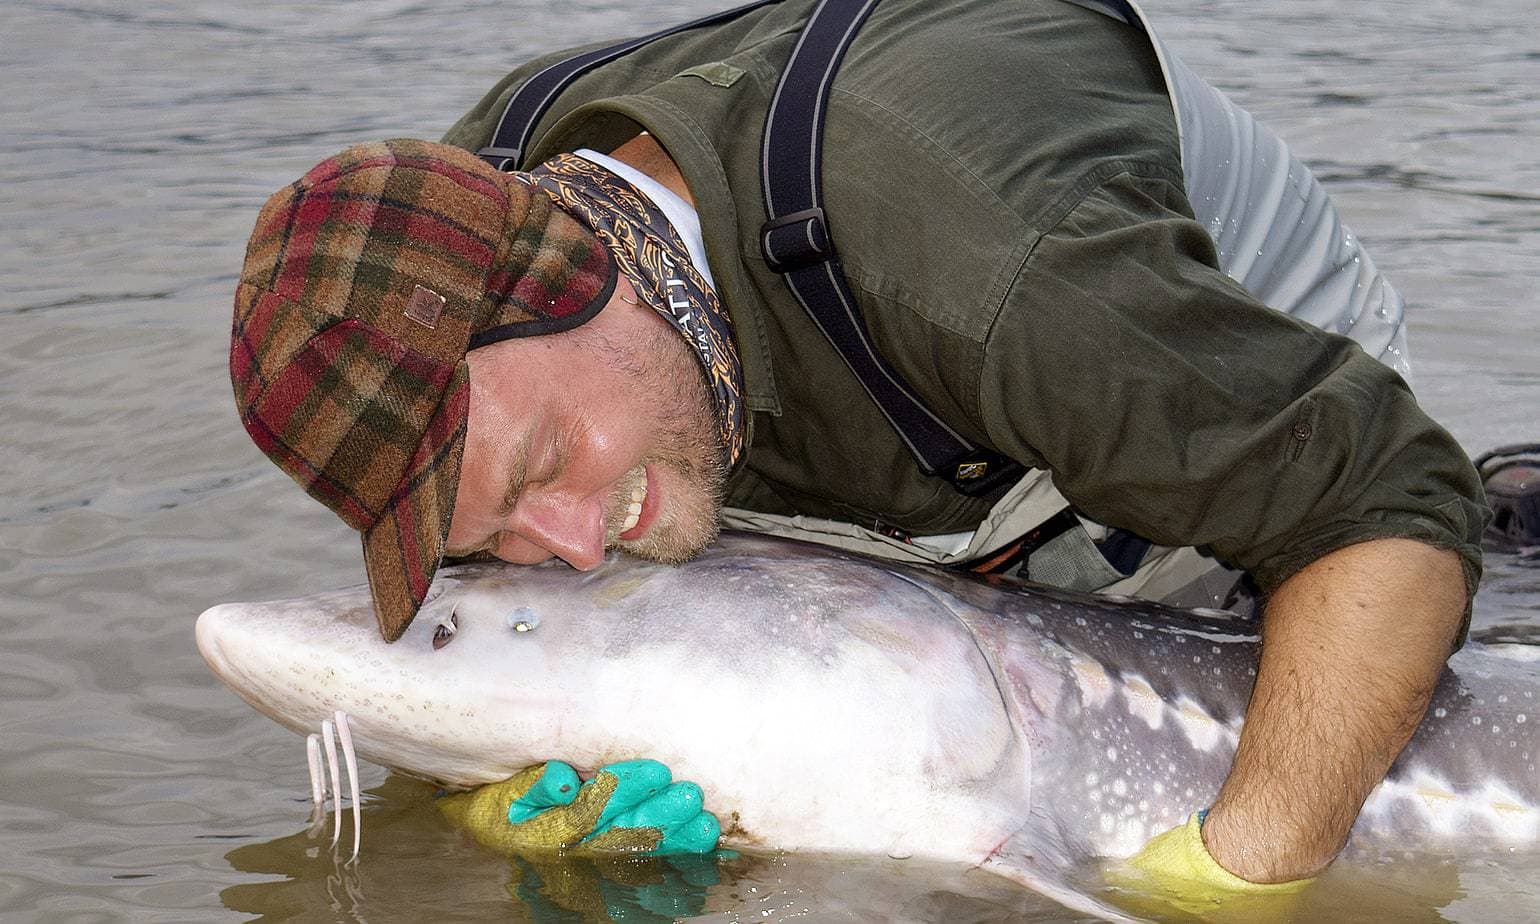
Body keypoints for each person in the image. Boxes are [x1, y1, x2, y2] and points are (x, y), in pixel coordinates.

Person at [228, 0, 1488, 909]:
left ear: (582, 275)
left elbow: (1384, 506)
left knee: (1286, 652)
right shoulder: (430, 239)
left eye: (543, 463)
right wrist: (488, 784)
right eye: (485, 540)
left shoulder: (987, 257)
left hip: (1206, 347)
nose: (558, 545)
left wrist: (1240, 872)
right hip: (863, 364)